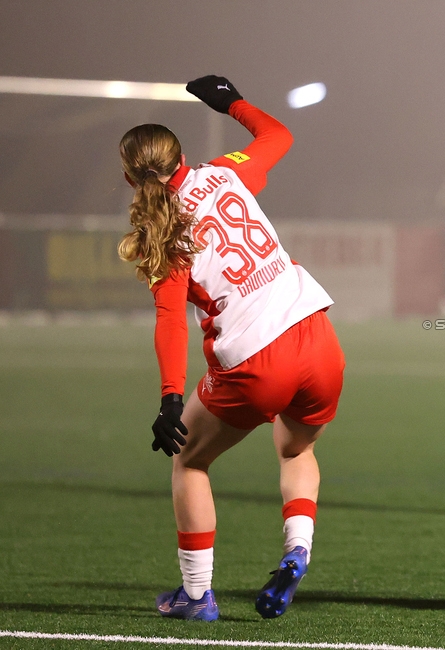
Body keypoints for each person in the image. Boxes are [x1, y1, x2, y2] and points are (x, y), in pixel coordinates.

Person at [117, 75, 344, 621]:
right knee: (296, 450)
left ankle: (197, 596)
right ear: (182, 158)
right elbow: (279, 136)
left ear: (128, 177)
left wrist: (171, 398)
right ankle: (297, 550)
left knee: (189, 461)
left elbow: (170, 321)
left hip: (255, 360)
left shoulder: (163, 231)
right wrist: (232, 102)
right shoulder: (225, 171)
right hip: (317, 337)